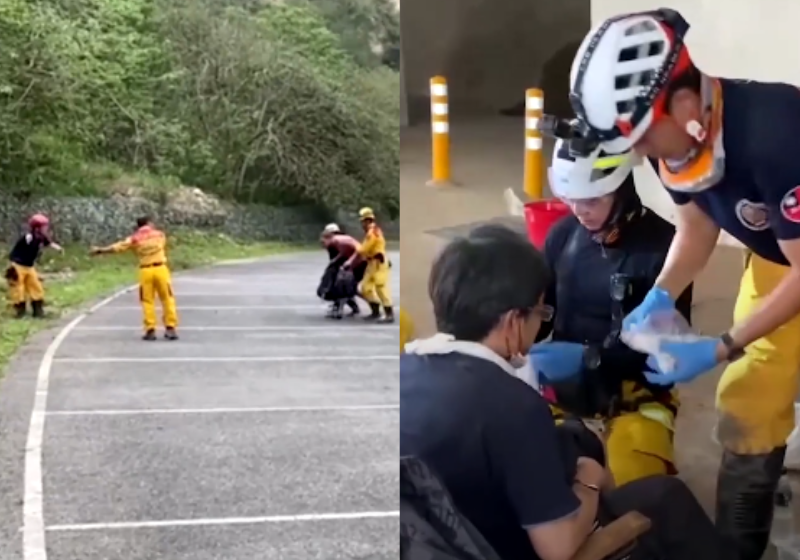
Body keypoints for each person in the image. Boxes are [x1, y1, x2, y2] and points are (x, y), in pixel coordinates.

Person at [566, 8, 800, 558]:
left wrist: (722, 344)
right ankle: (738, 549)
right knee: (750, 405)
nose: (643, 155)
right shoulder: (680, 142)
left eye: (643, 140)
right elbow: (697, 224)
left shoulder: (777, 133)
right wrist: (661, 293)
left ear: (687, 103)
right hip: (779, 263)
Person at [400, 223, 725, 560]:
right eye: (541, 312)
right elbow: (558, 549)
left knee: (575, 438)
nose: (541, 322)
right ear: (513, 322)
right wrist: (588, 479)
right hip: (510, 548)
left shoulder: (402, 371)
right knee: (665, 499)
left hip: (441, 540)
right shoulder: (513, 405)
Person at [530, 139, 693, 487]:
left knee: (633, 485)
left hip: (635, 391)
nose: (578, 210)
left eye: (592, 200)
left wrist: (592, 358)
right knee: (536, 470)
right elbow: (540, 315)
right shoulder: (562, 236)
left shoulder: (667, 249)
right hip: (564, 388)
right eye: (570, 198)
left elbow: (666, 352)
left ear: (622, 190)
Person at [90, 217, 179, 341]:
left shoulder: (135, 238)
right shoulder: (159, 234)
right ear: (149, 223)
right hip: (161, 268)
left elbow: (119, 247)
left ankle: (150, 329)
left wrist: (101, 250)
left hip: (145, 270)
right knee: (167, 298)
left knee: (147, 301)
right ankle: (170, 328)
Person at [5, 213, 64, 318]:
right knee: (18, 288)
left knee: (35, 286)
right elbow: (21, 246)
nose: (46, 228)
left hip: (29, 266)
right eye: (44, 226)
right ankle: (20, 312)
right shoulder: (28, 237)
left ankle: (38, 310)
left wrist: (58, 248)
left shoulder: (41, 237)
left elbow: (49, 243)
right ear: (37, 228)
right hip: (18, 265)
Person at [344, 207, 394, 323]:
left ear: (367, 221)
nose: (361, 224)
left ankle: (389, 314)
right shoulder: (370, 232)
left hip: (379, 263)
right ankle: (375, 312)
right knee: (365, 288)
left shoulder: (373, 233)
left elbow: (363, 249)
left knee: (381, 288)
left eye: (362, 221)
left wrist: (352, 255)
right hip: (371, 263)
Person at [318, 223, 362, 319]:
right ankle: (352, 307)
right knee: (345, 287)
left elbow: (345, 254)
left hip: (354, 265)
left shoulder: (337, 241)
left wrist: (336, 263)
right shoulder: (341, 240)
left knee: (341, 287)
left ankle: (339, 309)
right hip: (354, 264)